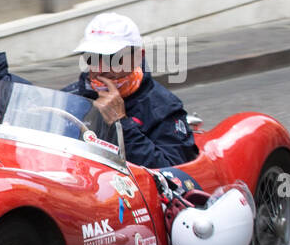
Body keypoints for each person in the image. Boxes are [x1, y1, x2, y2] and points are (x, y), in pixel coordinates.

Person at [59, 12, 197, 168]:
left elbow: (175, 174)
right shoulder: (70, 97)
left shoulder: (164, 107)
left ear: (138, 56)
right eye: (92, 57)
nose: (101, 68)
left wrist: (121, 124)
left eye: (112, 58)